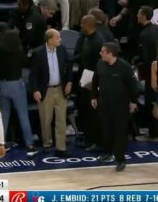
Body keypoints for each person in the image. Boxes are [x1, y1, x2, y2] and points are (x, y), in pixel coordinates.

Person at [91, 42, 138, 172]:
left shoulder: (125, 67)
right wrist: (94, 96)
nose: (100, 53)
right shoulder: (100, 63)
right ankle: (107, 153)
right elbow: (95, 80)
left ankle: (120, 159)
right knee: (106, 130)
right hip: (104, 103)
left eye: (102, 52)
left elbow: (132, 85)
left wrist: (133, 101)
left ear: (110, 54)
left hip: (120, 105)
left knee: (120, 132)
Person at [0, 29, 38, 156]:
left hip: (2, 85)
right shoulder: (19, 50)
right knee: (23, 115)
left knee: (3, 117)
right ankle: (30, 144)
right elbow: (26, 62)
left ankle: (1, 144)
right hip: (16, 84)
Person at [29, 29, 73, 156]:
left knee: (61, 120)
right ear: (50, 40)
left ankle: (61, 147)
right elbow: (34, 75)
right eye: (58, 38)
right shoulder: (38, 53)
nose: (60, 40)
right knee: (46, 119)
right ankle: (47, 143)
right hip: (45, 90)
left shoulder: (62, 49)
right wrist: (35, 90)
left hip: (60, 89)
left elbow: (69, 66)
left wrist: (69, 82)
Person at [73, 14, 105, 150]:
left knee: (92, 110)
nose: (81, 26)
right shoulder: (87, 38)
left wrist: (95, 84)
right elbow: (83, 55)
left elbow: (100, 65)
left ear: (88, 25)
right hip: (85, 76)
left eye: (82, 24)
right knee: (84, 108)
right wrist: (70, 59)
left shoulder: (98, 41)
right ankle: (88, 138)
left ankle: (94, 141)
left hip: (93, 79)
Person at [136, 5, 158, 140]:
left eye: (138, 13)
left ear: (143, 16)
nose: (137, 16)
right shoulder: (156, 29)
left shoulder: (144, 34)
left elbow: (145, 59)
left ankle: (153, 134)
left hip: (152, 74)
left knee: (151, 102)